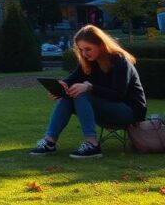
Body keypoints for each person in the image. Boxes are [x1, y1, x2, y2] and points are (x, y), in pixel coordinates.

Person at [29, 25, 146, 159]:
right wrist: (63, 86)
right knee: (69, 94)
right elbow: (73, 78)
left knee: (81, 93)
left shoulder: (119, 62)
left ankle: (92, 144)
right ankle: (49, 141)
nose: (84, 53)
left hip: (130, 112)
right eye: (81, 50)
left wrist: (89, 87)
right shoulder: (89, 62)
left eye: (88, 49)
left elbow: (118, 95)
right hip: (108, 110)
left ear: (101, 45)